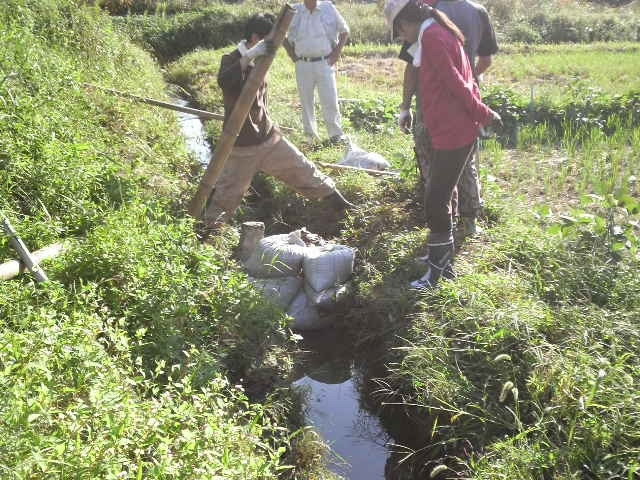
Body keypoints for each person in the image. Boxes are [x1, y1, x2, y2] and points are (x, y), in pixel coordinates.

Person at [383, 0, 501, 289]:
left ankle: (440, 272)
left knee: (435, 201)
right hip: (448, 130)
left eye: (399, 33)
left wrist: (484, 114)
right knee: (440, 196)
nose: (401, 39)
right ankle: (440, 256)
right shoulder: (434, 31)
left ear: (404, 23)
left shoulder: (434, 37)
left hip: (454, 132)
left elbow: (457, 84)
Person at [203, 13, 353, 230]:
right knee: (225, 200)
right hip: (241, 147)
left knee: (307, 172)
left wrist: (256, 56)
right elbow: (225, 82)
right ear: (255, 37)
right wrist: (249, 57)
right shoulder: (232, 59)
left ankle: (345, 209)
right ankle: (208, 241)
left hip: (269, 138)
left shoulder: (262, 60)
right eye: (269, 40)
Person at [283, 0, 349, 145]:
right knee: (306, 101)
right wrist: (291, 54)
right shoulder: (294, 10)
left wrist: (336, 53)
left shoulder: (328, 7)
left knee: (330, 99)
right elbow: (280, 33)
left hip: (325, 62)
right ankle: (310, 137)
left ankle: (336, 135)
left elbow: (345, 31)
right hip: (302, 63)